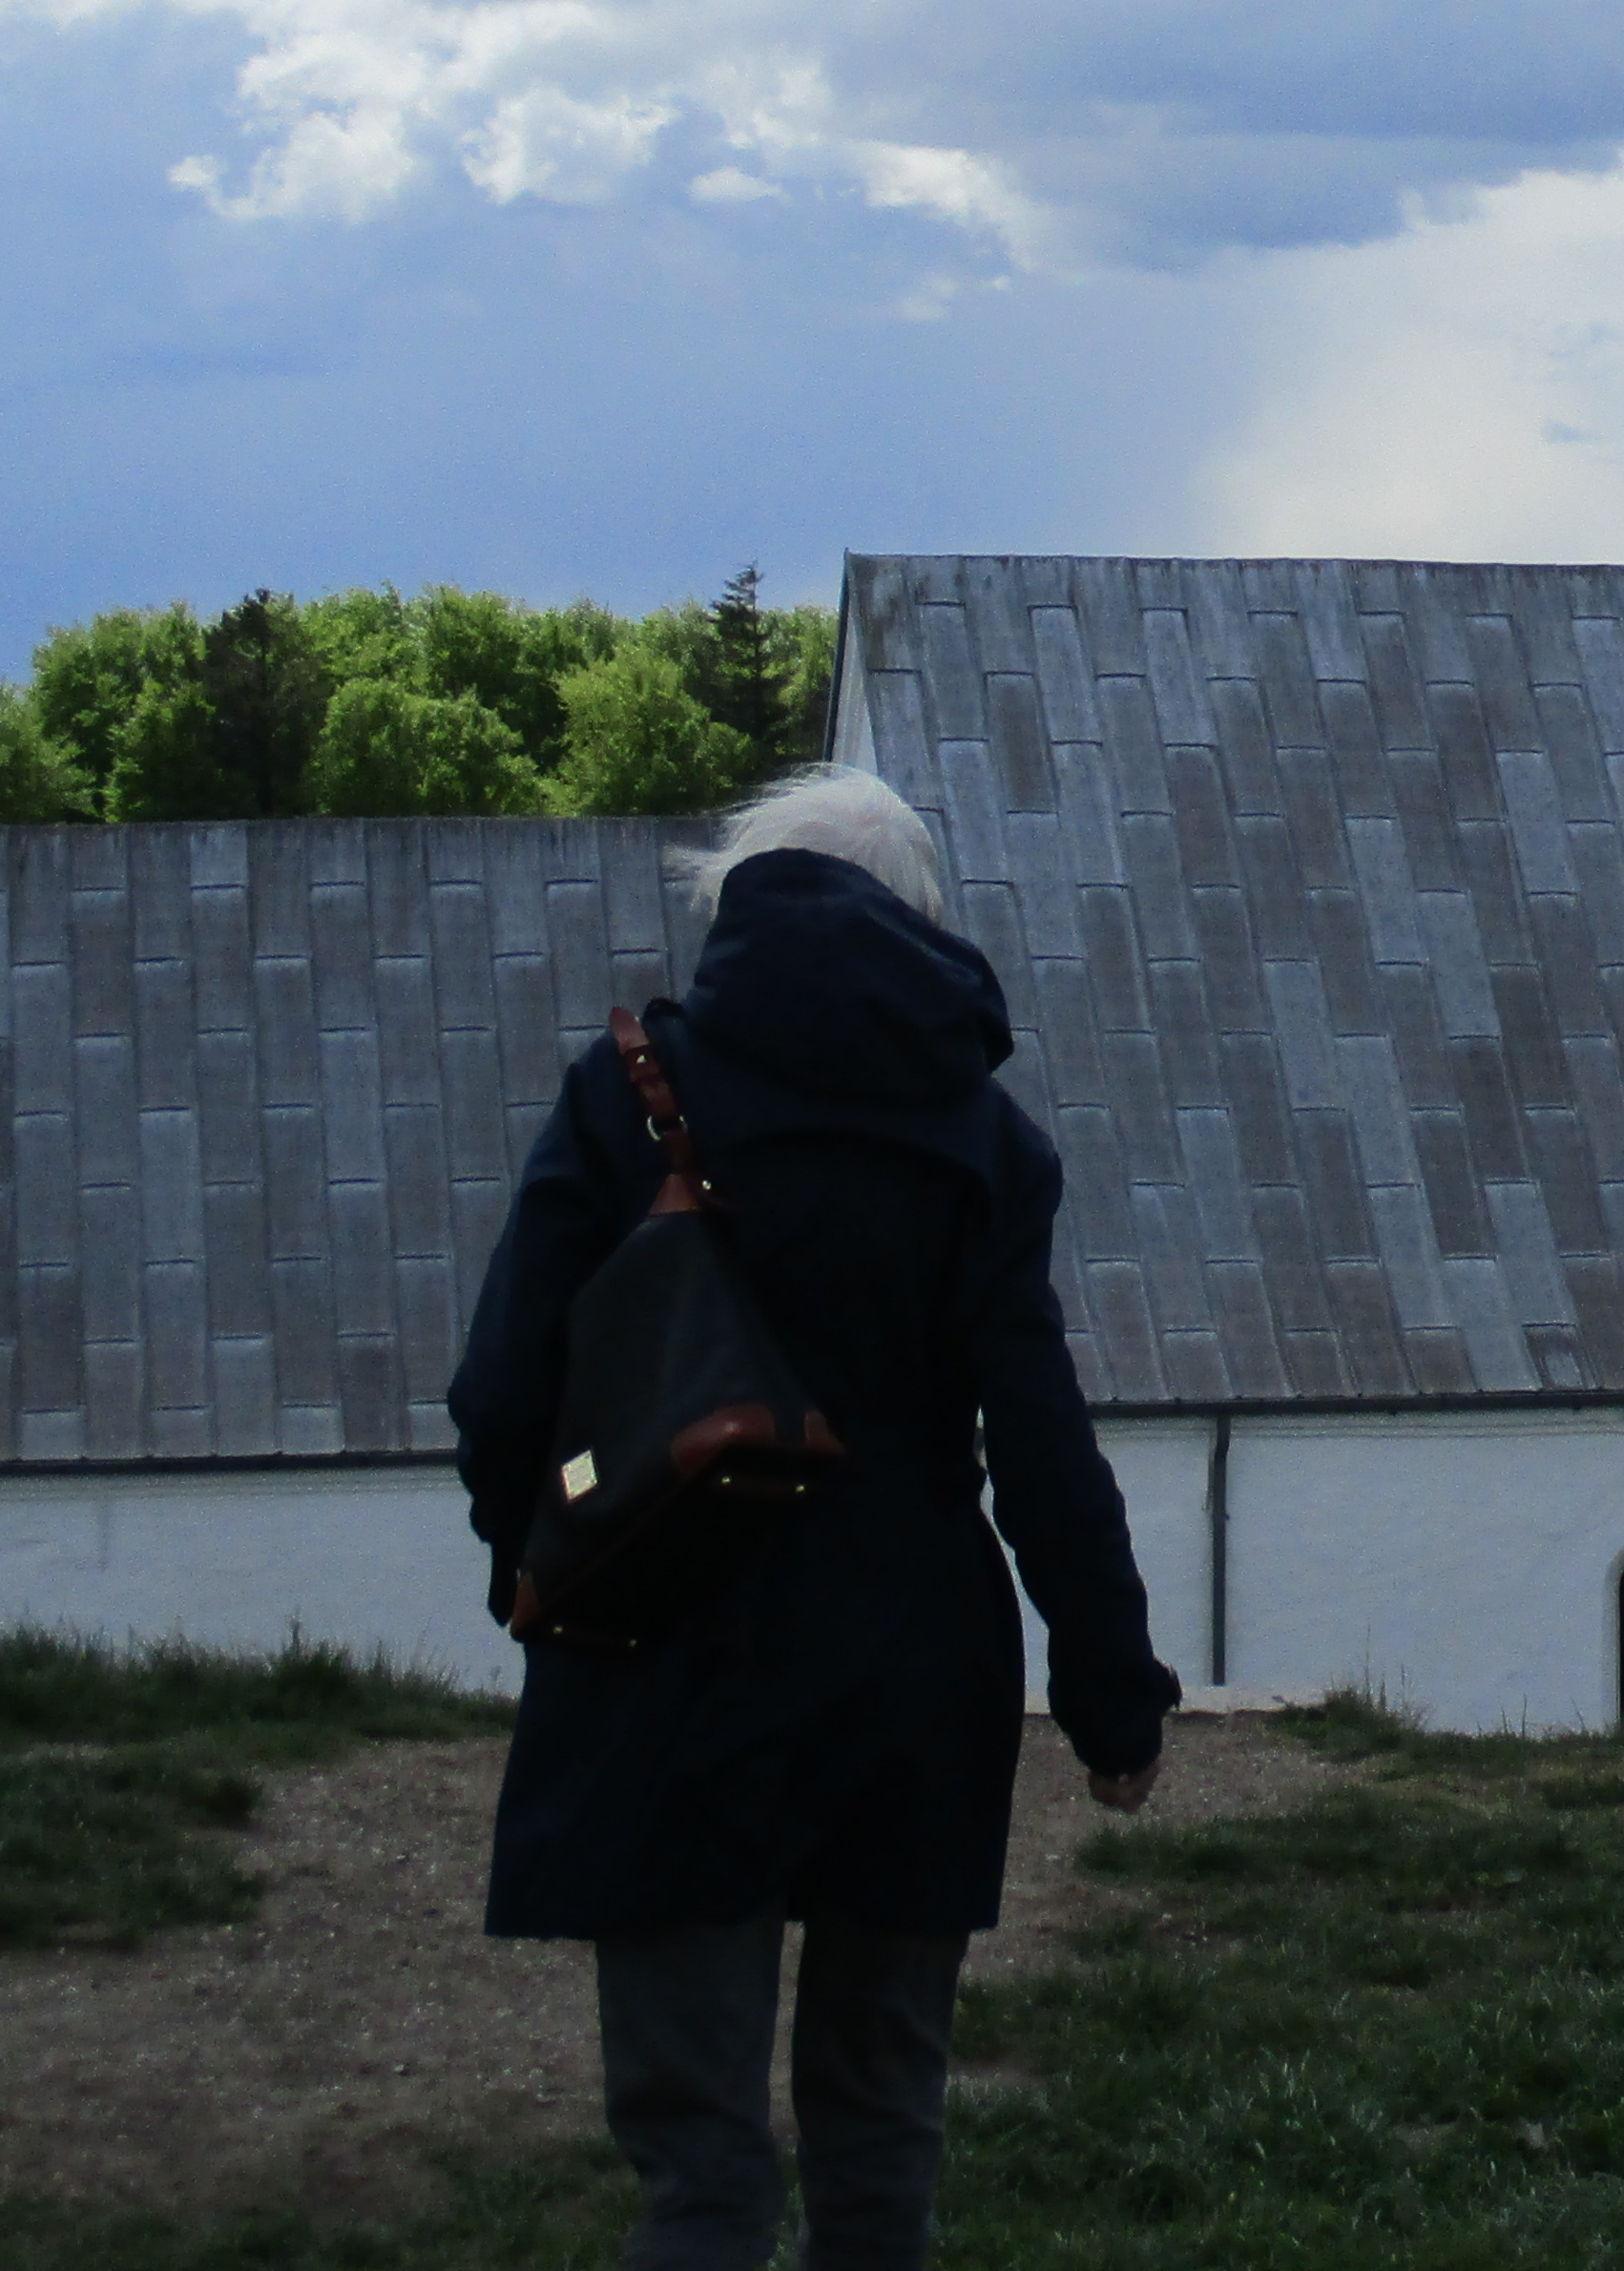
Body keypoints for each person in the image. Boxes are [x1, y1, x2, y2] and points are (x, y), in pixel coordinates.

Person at [449, 765, 1184, 2271]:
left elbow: (505, 1381)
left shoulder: (629, 1091)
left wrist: (537, 1565)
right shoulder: (986, 1143)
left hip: (665, 1647)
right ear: (917, 923)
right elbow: (1040, 1444)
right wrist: (1113, 1693)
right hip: (910, 1675)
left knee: (701, 2173)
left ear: (741, 899)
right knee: (878, 2144)